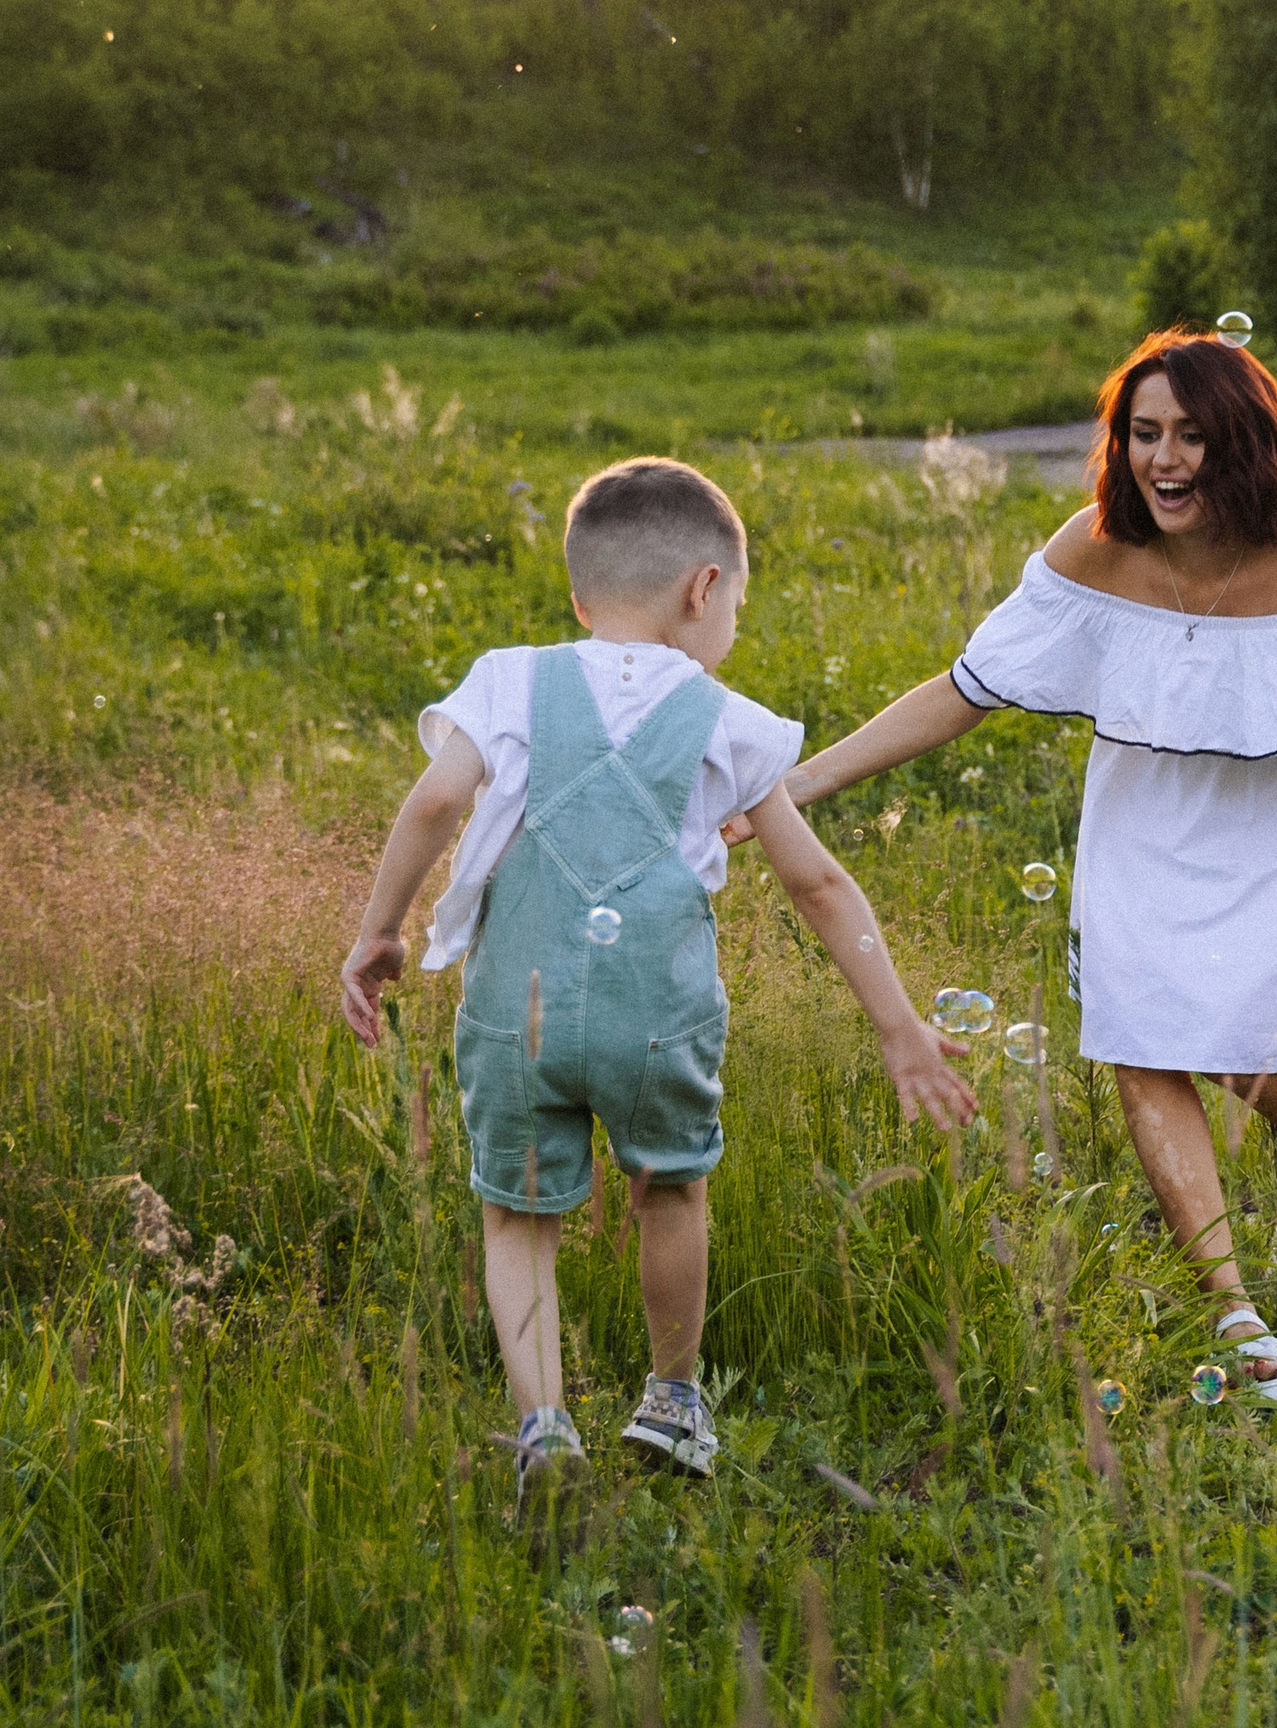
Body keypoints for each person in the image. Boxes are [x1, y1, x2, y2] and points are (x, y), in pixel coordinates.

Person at [762, 330, 1277, 1405]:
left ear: (1243, 442)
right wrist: (793, 787)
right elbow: (965, 685)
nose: (1164, 459)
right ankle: (1233, 1310)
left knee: (1246, 1043)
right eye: (1144, 432)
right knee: (1144, 1028)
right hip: (1148, 831)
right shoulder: (1096, 548)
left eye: (1192, 435)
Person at [337, 453, 975, 1508]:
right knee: (670, 1186)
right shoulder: (729, 717)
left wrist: (383, 931)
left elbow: (432, 803)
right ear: (703, 588)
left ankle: (543, 1422)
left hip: (515, 1010)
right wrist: (900, 1023)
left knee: (517, 1214)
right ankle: (672, 1398)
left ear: (581, 595)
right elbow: (816, 880)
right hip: (657, 1016)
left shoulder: (508, 677)